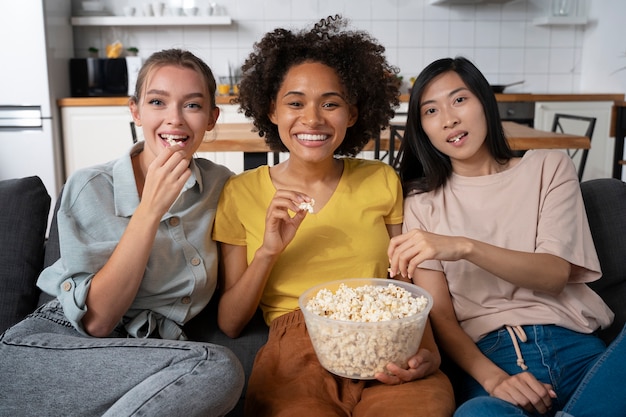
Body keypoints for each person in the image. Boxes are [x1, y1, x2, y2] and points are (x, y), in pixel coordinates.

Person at [212, 15, 455, 417]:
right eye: (295, 103)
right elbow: (231, 324)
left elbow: (405, 281)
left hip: (389, 342)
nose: (313, 119)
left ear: (353, 114)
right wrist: (268, 252)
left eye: (331, 103)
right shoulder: (241, 193)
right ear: (271, 110)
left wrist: (427, 351)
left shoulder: (381, 179)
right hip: (296, 352)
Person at [0, 49, 244, 417]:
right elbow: (98, 322)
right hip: (53, 345)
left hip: (146, 357)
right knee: (213, 366)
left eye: (192, 106)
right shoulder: (91, 186)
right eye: (157, 101)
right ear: (135, 111)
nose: (174, 119)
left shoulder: (223, 187)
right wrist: (148, 212)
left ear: (211, 118)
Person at [387, 56, 626, 417]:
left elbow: (553, 275)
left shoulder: (548, 167)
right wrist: (496, 379)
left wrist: (463, 247)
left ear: (485, 102)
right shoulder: (422, 205)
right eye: (430, 110)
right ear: (422, 127)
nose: (449, 118)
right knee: (476, 414)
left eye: (460, 100)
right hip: (494, 359)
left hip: (579, 351)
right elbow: (443, 320)